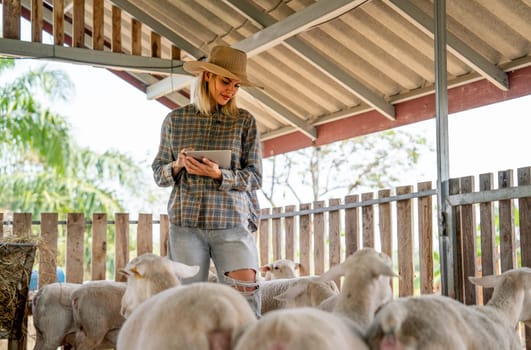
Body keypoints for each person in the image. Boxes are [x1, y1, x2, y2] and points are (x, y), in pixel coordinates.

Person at [151, 45, 263, 317]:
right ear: (207, 77)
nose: (231, 90)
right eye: (226, 81)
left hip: (231, 225)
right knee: (187, 309)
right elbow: (158, 173)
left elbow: (255, 177)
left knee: (245, 307)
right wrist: (177, 165)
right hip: (185, 226)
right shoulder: (175, 121)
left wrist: (218, 175)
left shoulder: (244, 122)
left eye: (236, 85)